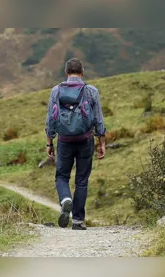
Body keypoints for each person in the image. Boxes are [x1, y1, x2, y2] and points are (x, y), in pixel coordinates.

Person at [45, 58, 106, 230]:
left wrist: (49, 143)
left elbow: (50, 119)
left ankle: (65, 199)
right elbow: (98, 119)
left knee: (62, 176)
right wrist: (101, 142)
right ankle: (78, 221)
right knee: (82, 180)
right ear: (82, 72)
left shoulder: (56, 91)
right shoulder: (91, 91)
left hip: (64, 140)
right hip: (85, 140)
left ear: (66, 73)